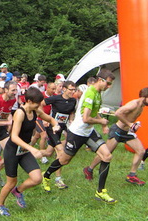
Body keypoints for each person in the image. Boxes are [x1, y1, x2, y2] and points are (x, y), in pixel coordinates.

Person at [42, 69, 117, 203]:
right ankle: (46, 176)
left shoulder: (98, 93)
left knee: (107, 156)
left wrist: (103, 124)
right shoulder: (90, 94)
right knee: (64, 160)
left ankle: (100, 192)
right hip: (77, 132)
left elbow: (94, 111)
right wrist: (101, 121)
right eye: (108, 83)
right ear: (101, 80)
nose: (109, 87)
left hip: (89, 131)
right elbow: (86, 118)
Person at [0, 87, 59, 216]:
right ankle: (0, 205)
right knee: (11, 182)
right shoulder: (20, 113)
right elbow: (14, 137)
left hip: (24, 150)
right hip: (12, 150)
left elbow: (50, 119)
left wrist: (55, 124)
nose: (39, 105)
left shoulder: (35, 110)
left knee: (37, 178)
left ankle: (18, 191)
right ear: (29, 101)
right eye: (37, 103)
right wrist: (32, 148)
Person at [84, 87, 148, 186]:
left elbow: (130, 118)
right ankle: (89, 169)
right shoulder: (134, 104)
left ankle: (132, 175)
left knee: (141, 151)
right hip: (117, 131)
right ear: (144, 97)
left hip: (127, 132)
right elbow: (118, 113)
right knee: (106, 154)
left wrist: (133, 126)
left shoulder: (141, 106)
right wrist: (130, 124)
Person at [39, 80, 78, 189]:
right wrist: (44, 118)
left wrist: (71, 121)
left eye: (74, 90)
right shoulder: (56, 98)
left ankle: (27, 154)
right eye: (71, 89)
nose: (73, 92)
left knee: (48, 152)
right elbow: (41, 104)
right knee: (61, 151)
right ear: (64, 89)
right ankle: (58, 179)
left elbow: (71, 112)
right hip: (52, 128)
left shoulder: (73, 101)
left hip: (62, 128)